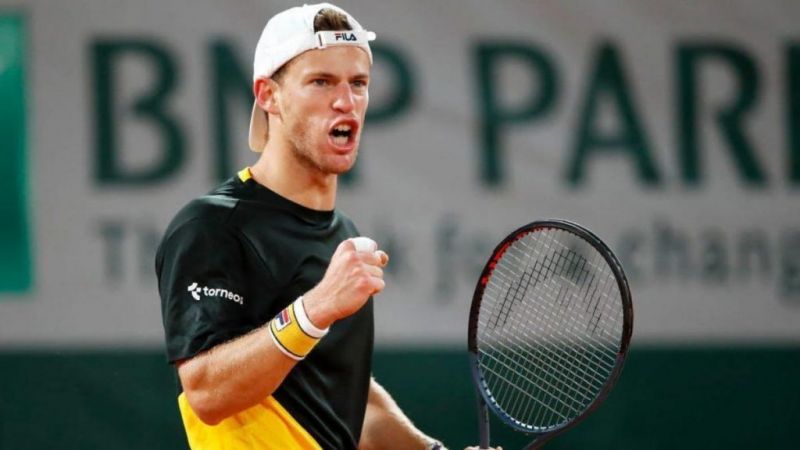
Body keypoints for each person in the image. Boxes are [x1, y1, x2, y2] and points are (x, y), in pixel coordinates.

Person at [156, 3, 500, 450]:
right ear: (268, 95)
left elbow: (351, 408)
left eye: (358, 83)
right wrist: (315, 309)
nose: (346, 101)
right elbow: (206, 391)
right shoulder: (212, 226)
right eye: (320, 82)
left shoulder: (343, 235)